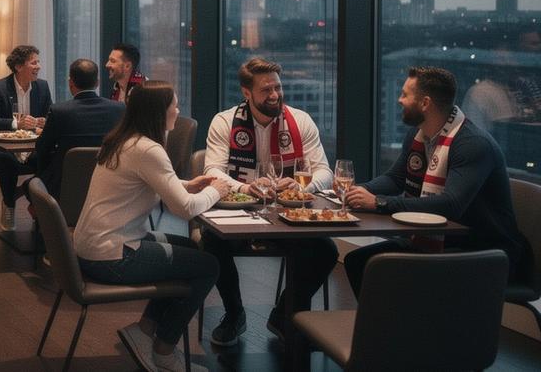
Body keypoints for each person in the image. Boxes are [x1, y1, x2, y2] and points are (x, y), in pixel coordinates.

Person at [74, 82, 227, 372]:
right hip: (113, 256)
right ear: (159, 112)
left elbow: (144, 182)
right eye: (174, 105)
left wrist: (187, 184)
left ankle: (144, 330)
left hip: (94, 246)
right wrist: (217, 190)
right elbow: (184, 209)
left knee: (190, 248)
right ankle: (164, 350)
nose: (178, 111)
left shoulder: (124, 140)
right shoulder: (148, 150)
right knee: (208, 266)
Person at [343, 66, 530, 295]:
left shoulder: (472, 144)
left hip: (485, 251)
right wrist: (354, 191)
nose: (399, 100)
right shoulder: (419, 134)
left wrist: (379, 203)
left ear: (425, 103)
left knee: (392, 271)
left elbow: (450, 205)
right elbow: (396, 178)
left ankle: (411, 329)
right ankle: (391, 329)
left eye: (404, 94)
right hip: (447, 243)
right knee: (358, 262)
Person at [202, 57, 336, 346]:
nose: (275, 95)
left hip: (287, 216)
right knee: (210, 241)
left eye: (278, 87)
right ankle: (235, 314)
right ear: (247, 93)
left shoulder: (300, 121)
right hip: (240, 213)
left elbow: (325, 170)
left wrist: (303, 186)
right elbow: (211, 170)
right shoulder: (224, 122)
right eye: (266, 90)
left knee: (325, 250)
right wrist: (247, 188)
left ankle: (284, 315)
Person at [0, 44, 53, 230]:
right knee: (8, 162)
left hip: (30, 147)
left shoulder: (42, 87)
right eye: (33, 62)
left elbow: (50, 116)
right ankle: (9, 204)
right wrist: (16, 124)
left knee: (49, 159)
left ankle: (36, 205)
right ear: (19, 66)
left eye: (38, 62)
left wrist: (44, 122)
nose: (38, 66)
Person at [32, 59, 125, 198]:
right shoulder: (119, 108)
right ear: (97, 82)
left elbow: (42, 148)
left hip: (65, 185)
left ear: (71, 82)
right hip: (108, 183)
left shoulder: (59, 111)